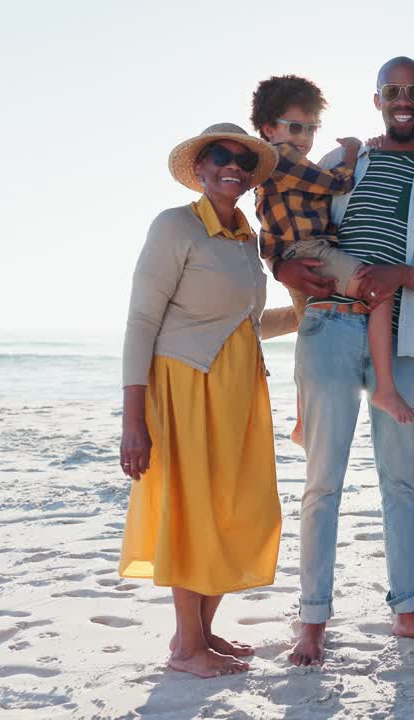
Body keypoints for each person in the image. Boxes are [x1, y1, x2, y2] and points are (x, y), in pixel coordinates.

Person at [275, 57, 414, 666]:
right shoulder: (344, 163)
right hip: (328, 328)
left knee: (401, 482)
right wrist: (282, 268)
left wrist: (406, 275)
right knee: (322, 484)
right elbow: (290, 228)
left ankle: (407, 610)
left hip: (404, 339)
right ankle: (313, 619)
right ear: (377, 99)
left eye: (412, 92)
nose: (402, 100)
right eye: (392, 91)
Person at [117, 123, 300, 678]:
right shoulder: (175, 226)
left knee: (242, 511)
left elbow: (240, 323)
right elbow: (142, 322)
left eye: (244, 162)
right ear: (199, 169)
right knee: (194, 512)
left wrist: (301, 310)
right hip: (184, 389)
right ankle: (188, 646)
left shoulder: (247, 238)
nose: (234, 167)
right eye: (221, 156)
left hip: (240, 390)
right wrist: (133, 421)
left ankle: (197, 635)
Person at [251, 75, 414, 428]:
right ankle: (385, 389)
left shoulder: (279, 164)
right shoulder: (281, 157)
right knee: (380, 290)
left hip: (295, 254)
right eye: (295, 127)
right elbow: (336, 183)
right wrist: (355, 151)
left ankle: (299, 419)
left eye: (311, 129)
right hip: (308, 250)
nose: (304, 138)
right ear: (269, 128)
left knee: (306, 324)